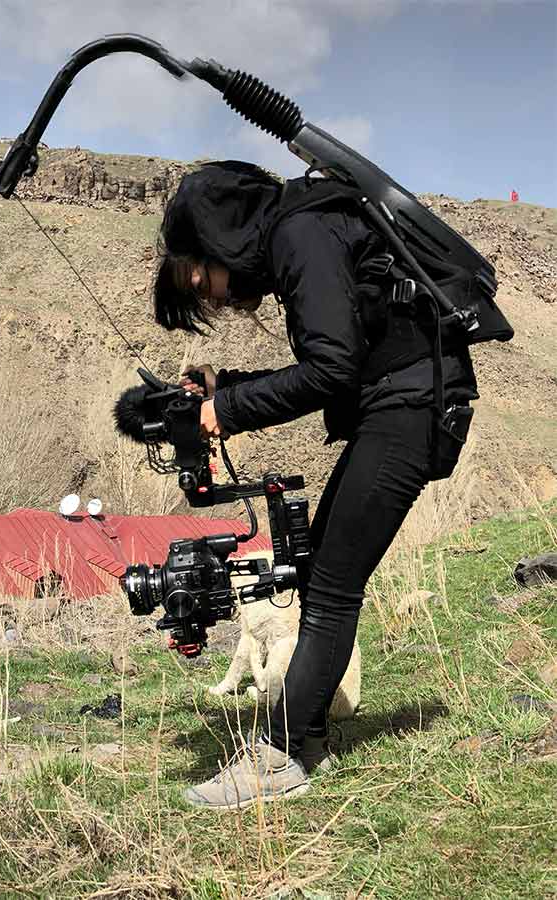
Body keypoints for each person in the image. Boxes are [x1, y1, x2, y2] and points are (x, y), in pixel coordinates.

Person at [151, 160, 477, 809]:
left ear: (221, 240)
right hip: (403, 400)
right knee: (327, 577)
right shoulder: (304, 229)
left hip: (411, 407)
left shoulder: (300, 232)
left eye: (200, 278)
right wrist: (232, 388)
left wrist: (229, 411)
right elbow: (341, 355)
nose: (214, 297)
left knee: (329, 586)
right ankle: (307, 738)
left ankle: (278, 757)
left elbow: (330, 370)